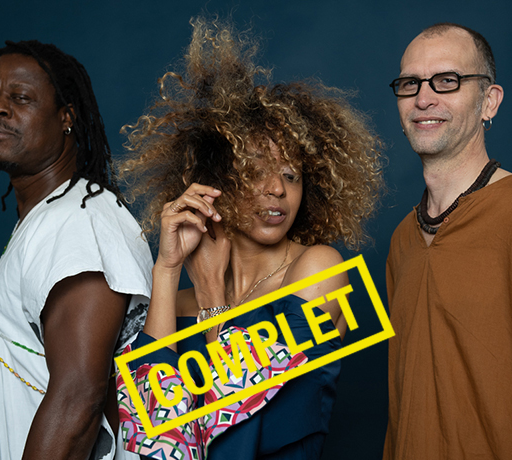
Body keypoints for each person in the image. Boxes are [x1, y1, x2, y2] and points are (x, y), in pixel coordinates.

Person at [115, 18, 383, 459]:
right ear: (216, 181)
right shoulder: (176, 303)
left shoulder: (318, 271)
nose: (276, 189)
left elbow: (242, 423)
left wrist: (212, 298)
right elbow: (151, 438)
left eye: (291, 175)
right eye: (255, 170)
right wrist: (166, 270)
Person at [0, 40, 153, 460]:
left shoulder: (78, 222)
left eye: (20, 98)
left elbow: (79, 398)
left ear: (67, 117)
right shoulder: (52, 217)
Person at [384, 23, 511, 459]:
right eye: (410, 84)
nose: (423, 98)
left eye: (447, 80)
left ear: (489, 101)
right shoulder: (402, 240)